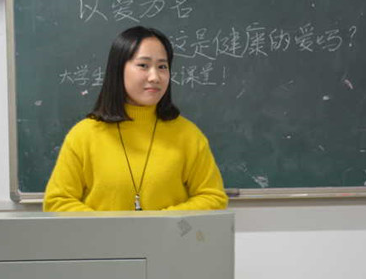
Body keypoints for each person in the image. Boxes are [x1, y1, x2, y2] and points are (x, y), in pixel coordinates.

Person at [43, 26, 228, 211]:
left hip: (167, 232)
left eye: (162, 67)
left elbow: (213, 197)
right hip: (103, 232)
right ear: (118, 69)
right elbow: (58, 201)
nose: (155, 77)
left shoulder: (188, 135)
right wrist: (110, 226)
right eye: (143, 65)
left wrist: (161, 222)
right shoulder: (84, 136)